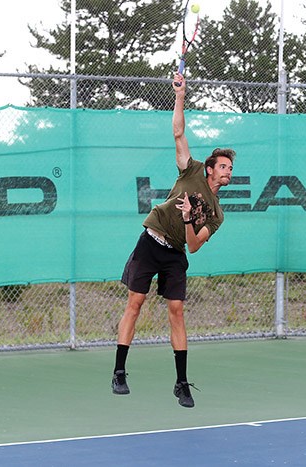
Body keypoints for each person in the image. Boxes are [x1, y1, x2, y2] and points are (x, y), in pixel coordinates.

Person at [111, 72, 236, 408]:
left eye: (230, 168)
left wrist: (188, 220)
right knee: (134, 304)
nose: (228, 171)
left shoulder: (217, 213)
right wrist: (180, 94)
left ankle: (181, 383)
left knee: (177, 311)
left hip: (176, 252)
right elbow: (178, 132)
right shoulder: (191, 169)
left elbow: (194, 245)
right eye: (223, 166)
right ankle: (119, 372)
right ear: (209, 169)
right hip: (151, 241)